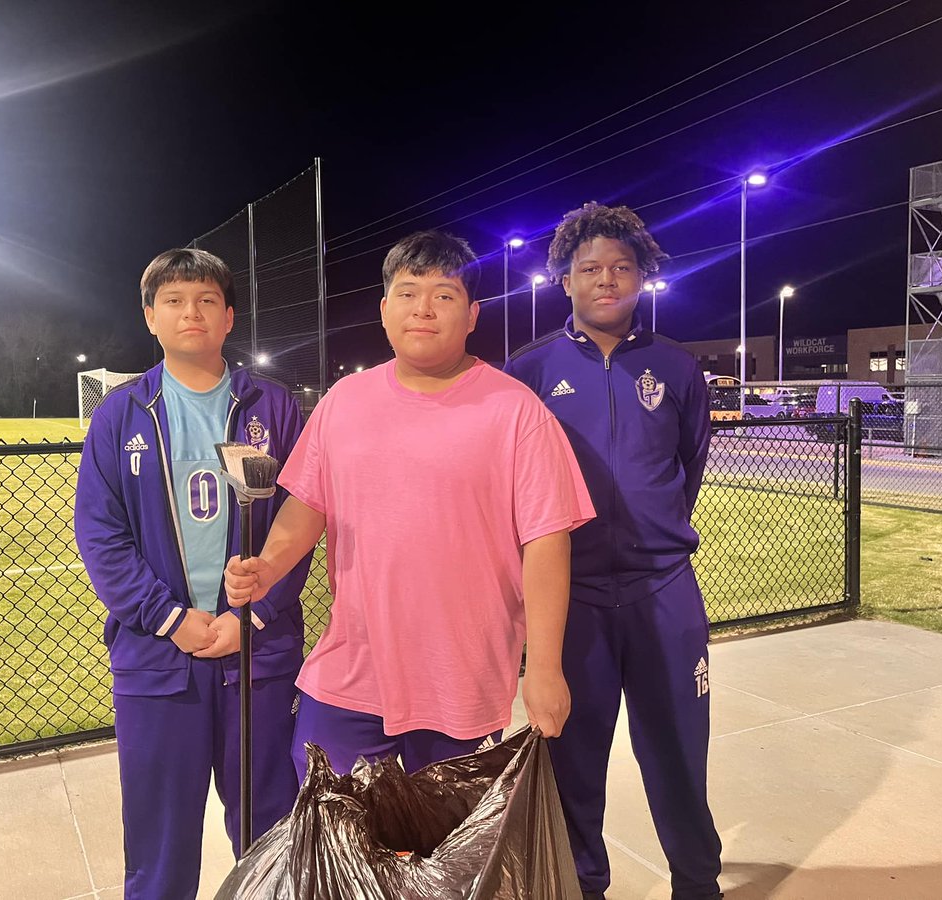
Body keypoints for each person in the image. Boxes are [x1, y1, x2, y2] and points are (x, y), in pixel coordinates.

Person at [223, 229, 594, 783]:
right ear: (384, 308)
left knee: (440, 849)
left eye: (443, 296)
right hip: (355, 662)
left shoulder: (516, 411)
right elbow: (307, 507)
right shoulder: (343, 403)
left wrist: (544, 668)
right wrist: (268, 566)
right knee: (333, 822)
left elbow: (545, 542)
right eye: (407, 292)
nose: (423, 309)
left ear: (473, 314)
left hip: (461, 673)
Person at [74, 248, 311, 900]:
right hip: (158, 660)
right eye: (174, 301)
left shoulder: (270, 409)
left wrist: (253, 617)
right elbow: (101, 534)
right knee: (157, 838)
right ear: (150, 316)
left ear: (230, 315)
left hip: (257, 657)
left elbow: (295, 525)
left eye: (206, 300)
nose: (191, 313)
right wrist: (170, 618)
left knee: (270, 833)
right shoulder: (124, 414)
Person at [504, 203, 723, 900]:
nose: (607, 279)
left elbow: (688, 467)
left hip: (664, 590)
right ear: (564, 281)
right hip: (574, 598)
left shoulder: (677, 368)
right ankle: (581, 887)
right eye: (590, 269)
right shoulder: (529, 370)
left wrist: (655, 535)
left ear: (643, 277)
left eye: (621, 268)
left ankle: (696, 882)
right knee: (571, 758)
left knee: (680, 752)